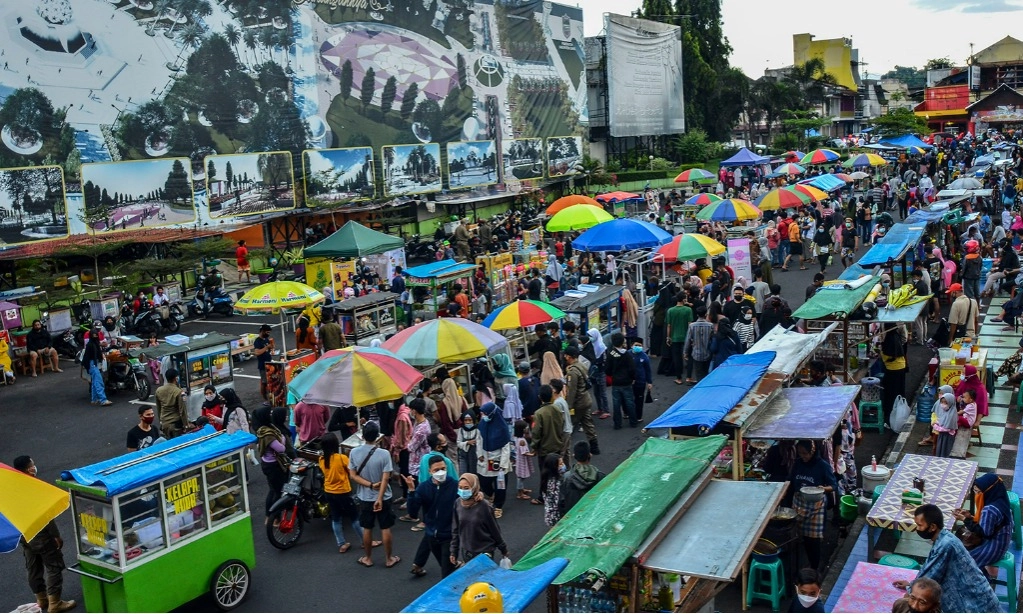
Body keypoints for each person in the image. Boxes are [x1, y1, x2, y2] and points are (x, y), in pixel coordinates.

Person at [892, 504, 1000, 613]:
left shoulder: (946, 545)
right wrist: (911, 586)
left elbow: (930, 577)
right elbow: (928, 569)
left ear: (933, 527)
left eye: (920, 525)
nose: (917, 529)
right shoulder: (945, 538)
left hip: (976, 606)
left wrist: (908, 596)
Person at [13, 456, 76, 613]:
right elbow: (45, 516)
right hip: (41, 535)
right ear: (29, 469)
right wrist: (55, 535)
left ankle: (41, 600)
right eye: (32, 464)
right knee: (54, 567)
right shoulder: (33, 486)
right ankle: (55, 603)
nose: (35, 467)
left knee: (33, 568)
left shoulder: (13, 486)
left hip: (25, 534)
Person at [348, 421, 400, 569]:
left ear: (363, 436)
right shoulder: (384, 454)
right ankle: (389, 559)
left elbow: (353, 476)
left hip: (364, 497)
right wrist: (379, 498)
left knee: (367, 528)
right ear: (378, 436)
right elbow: (385, 478)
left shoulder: (354, 452)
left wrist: (369, 485)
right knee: (385, 527)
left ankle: (368, 558)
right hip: (384, 497)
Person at [787, 440, 838, 572]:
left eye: (805, 453)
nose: (803, 456)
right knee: (798, 536)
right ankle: (798, 567)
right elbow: (791, 482)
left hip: (815, 505)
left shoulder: (822, 466)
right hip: (799, 503)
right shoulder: (798, 463)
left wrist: (823, 488)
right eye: (800, 453)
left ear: (812, 451)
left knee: (813, 540)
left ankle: (814, 568)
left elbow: (833, 486)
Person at [406, 454, 458, 578]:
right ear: (430, 471)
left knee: (447, 572)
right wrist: (411, 492)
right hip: (432, 536)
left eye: (443, 469)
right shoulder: (423, 488)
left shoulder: (455, 485)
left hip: (449, 535)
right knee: (445, 565)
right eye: (436, 470)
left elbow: (468, 499)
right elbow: (413, 513)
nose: (441, 472)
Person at [952, 473, 1013, 572]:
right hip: (1003, 541)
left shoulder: (989, 509)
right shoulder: (1001, 499)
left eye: (978, 492)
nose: (976, 495)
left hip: (993, 547)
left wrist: (965, 520)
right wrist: (970, 517)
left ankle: (979, 582)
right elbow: (992, 524)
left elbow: (985, 533)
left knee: (960, 561)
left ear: (987, 491)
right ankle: (982, 575)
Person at [450, 473, 509, 567]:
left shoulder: (484, 506)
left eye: (466, 488)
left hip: (484, 551)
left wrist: (503, 548)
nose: (462, 491)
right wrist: (453, 551)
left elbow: (494, 529)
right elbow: (455, 529)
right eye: (460, 487)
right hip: (467, 552)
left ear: (474, 488)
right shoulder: (457, 504)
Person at [318, 432, 360, 554]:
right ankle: (365, 541)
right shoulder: (342, 458)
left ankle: (341, 543)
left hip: (329, 491)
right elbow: (351, 472)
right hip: (343, 491)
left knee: (336, 518)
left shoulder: (321, 459)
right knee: (354, 517)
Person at [476, 401, 512, 519]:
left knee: (500, 485)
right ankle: (491, 495)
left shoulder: (502, 427)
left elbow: (506, 447)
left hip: (498, 459)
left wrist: (503, 464)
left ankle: (498, 506)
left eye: (485, 414)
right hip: (485, 457)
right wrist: (479, 454)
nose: (484, 416)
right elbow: (479, 439)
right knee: (484, 481)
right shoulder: (482, 424)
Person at [563, 346, 599, 454]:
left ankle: (564, 450)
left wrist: (568, 407)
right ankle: (594, 447)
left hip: (578, 403)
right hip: (586, 400)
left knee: (568, 427)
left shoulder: (572, 372)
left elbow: (572, 391)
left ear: (569, 356)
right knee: (587, 424)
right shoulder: (581, 366)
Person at [559, 441, 605, 516]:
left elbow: (561, 502)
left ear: (574, 456)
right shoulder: (600, 476)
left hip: (573, 517)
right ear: (590, 455)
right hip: (594, 515)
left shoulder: (566, 478)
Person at [604, 333, 636, 429]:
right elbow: (632, 369)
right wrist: (632, 378)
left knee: (616, 404)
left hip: (616, 382)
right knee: (630, 402)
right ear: (622, 342)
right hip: (627, 382)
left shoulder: (611, 354)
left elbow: (607, 369)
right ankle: (633, 422)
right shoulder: (627, 354)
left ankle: (617, 424)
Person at [879, 325, 907, 425]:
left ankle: (889, 417)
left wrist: (880, 352)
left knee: (890, 394)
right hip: (901, 367)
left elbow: (886, 357)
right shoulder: (896, 337)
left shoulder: (889, 340)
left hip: (893, 369)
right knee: (899, 392)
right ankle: (900, 415)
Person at [666, 293, 694, 385]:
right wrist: (692, 337)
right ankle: (689, 377)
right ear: (683, 299)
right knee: (689, 356)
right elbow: (690, 324)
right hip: (686, 337)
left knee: (677, 358)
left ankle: (679, 378)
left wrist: (668, 337)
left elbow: (669, 325)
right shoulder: (688, 310)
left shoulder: (670, 311)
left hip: (674, 337)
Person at [582, 328, 610, 419]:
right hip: (593, 372)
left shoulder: (602, 347)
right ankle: (600, 408)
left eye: (591, 336)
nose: (590, 338)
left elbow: (604, 360)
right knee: (596, 391)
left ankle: (606, 410)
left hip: (600, 371)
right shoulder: (591, 345)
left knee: (602, 392)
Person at [82, 325, 111, 406]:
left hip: (91, 364)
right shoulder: (92, 344)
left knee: (95, 382)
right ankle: (103, 400)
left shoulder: (93, 343)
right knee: (99, 382)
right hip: (93, 364)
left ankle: (94, 399)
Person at [156, 369, 187, 437]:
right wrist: (186, 425)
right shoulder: (179, 392)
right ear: (176, 378)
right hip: (176, 424)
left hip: (165, 424)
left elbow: (159, 408)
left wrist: (161, 421)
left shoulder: (159, 390)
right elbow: (182, 410)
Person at [630, 338, 652, 423]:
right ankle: (629, 414)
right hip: (630, 382)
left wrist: (649, 382)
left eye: (640, 346)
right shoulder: (628, 354)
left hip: (640, 382)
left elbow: (648, 370)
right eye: (636, 345)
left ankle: (638, 416)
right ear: (632, 345)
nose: (638, 347)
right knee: (629, 400)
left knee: (639, 400)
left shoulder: (644, 357)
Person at [539, 453, 564, 527]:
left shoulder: (546, 479)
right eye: (560, 464)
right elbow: (559, 501)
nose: (563, 466)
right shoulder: (555, 483)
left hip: (550, 515)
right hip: (557, 518)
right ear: (554, 467)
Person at [253, 324, 275, 405]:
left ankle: (271, 396)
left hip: (269, 363)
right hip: (263, 365)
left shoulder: (266, 339)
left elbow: (270, 348)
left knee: (270, 381)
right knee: (264, 382)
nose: (268, 334)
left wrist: (272, 347)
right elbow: (257, 352)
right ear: (262, 331)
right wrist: (266, 347)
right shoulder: (257, 341)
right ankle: (265, 398)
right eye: (267, 332)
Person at [932, 392, 958, 458]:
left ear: (950, 403)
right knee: (940, 450)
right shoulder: (946, 411)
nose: (943, 404)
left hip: (947, 437)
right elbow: (941, 421)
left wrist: (935, 426)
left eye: (946, 403)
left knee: (945, 452)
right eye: (942, 402)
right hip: (942, 435)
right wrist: (936, 423)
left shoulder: (952, 414)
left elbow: (947, 428)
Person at [456, 410, 479, 476]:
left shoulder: (477, 430)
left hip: (474, 456)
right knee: (463, 473)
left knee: (473, 473)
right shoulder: (461, 430)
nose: (468, 422)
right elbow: (458, 443)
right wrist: (467, 443)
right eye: (465, 420)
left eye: (470, 420)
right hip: (463, 455)